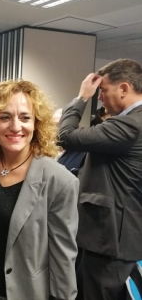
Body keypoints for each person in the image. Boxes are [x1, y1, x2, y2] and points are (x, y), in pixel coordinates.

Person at [0, 80, 79, 300]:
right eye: (5, 117)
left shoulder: (59, 180)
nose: (16, 127)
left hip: (25, 293)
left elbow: (63, 257)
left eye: (25, 117)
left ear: (37, 123)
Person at [59, 58, 142, 300]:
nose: (100, 98)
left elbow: (66, 136)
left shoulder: (130, 125)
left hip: (111, 242)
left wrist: (82, 97)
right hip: (119, 237)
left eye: (103, 91)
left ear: (124, 88)